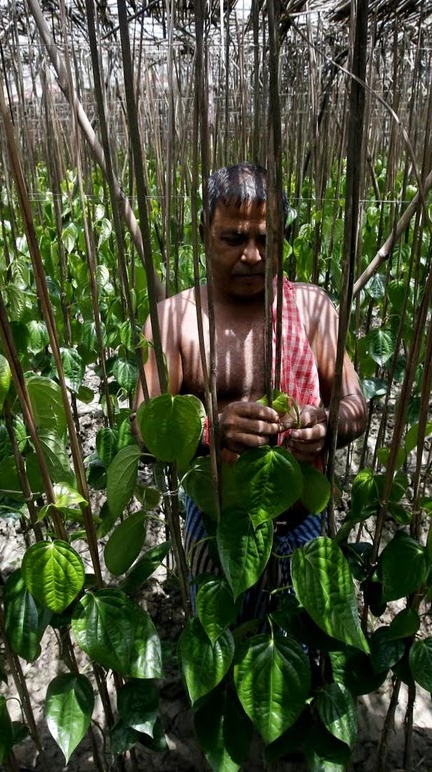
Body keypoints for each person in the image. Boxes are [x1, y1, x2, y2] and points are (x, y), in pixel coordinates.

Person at [134, 162, 368, 619]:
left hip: (301, 523)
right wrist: (207, 430)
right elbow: (144, 427)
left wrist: (327, 423)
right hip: (217, 526)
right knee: (219, 633)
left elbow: (356, 403)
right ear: (204, 233)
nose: (254, 255)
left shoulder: (312, 309)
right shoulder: (174, 320)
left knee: (295, 650)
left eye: (266, 240)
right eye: (234, 239)